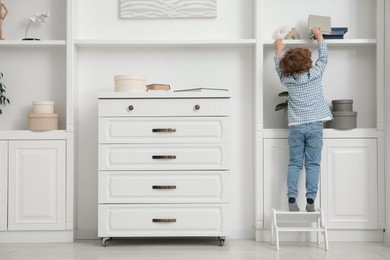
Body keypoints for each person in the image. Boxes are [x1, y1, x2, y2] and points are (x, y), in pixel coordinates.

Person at [273, 27, 332, 212]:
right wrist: (320, 37)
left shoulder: (287, 80)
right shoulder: (315, 75)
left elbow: (278, 67)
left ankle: (291, 199)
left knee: (295, 163)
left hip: (296, 127)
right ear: (307, 63)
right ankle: (310, 201)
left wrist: (278, 48)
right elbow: (323, 59)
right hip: (315, 126)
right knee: (313, 164)